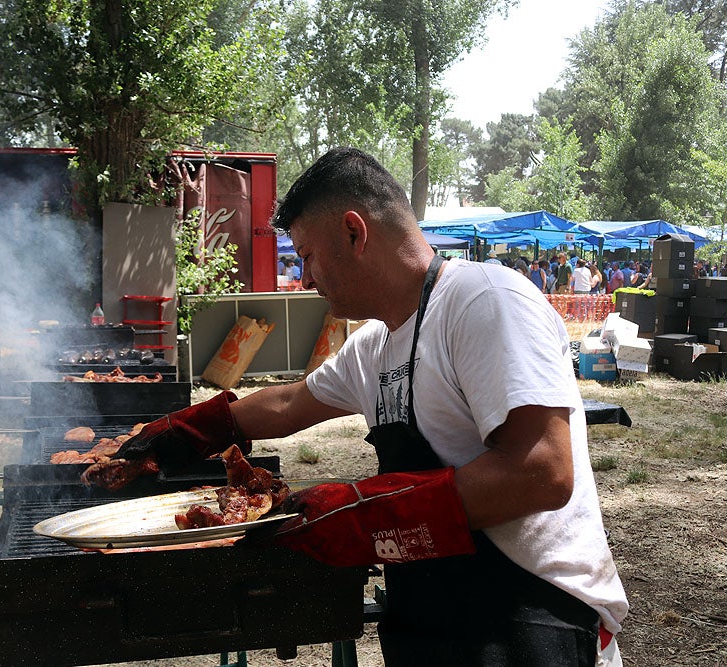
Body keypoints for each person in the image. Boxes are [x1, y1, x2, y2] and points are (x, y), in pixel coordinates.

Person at [83, 148, 628, 665]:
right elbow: (290, 402)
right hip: (434, 611)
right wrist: (178, 435)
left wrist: (362, 510)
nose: (307, 276)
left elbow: (542, 473)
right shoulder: (376, 344)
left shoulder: (484, 301)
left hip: (532, 616)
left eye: (310, 256)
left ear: (354, 230)